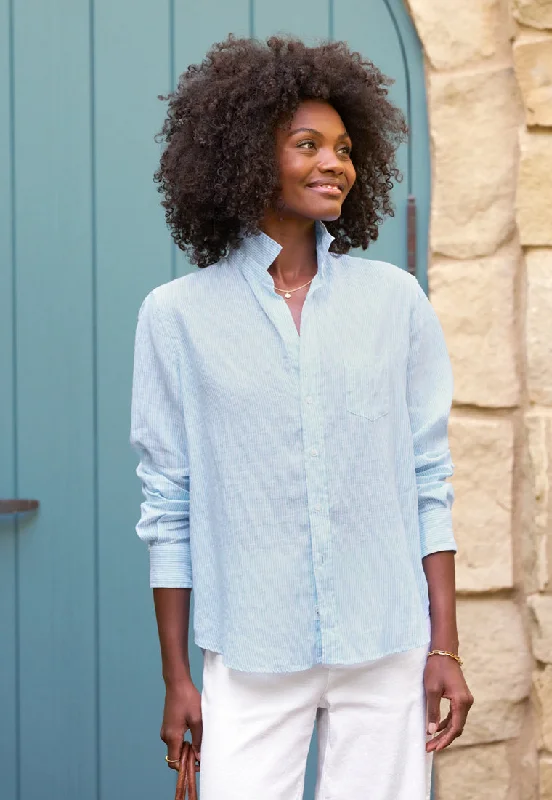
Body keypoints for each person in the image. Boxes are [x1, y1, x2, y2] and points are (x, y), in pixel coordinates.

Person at [130, 34, 473, 800]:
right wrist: (177, 677)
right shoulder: (176, 318)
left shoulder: (394, 303)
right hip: (250, 651)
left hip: (383, 644)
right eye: (307, 145)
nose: (334, 164)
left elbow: (427, 480)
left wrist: (443, 646)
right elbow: (167, 506)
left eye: (346, 148)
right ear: (249, 157)